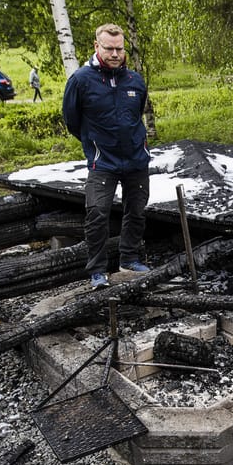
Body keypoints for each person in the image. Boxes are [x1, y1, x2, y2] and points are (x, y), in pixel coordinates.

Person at [63, 24, 152, 289]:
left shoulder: (135, 80)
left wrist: (137, 144)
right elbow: (72, 121)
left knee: (136, 211)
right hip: (102, 162)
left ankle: (129, 259)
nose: (115, 54)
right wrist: (96, 144)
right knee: (97, 213)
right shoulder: (80, 81)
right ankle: (98, 271)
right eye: (109, 48)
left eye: (119, 49)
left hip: (136, 160)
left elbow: (137, 114)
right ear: (96, 46)